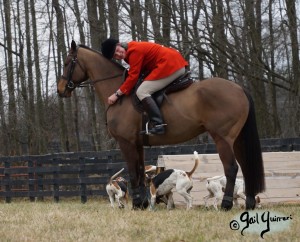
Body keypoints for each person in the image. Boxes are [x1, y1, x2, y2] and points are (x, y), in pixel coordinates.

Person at [101, 38, 188, 135]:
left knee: (142, 91)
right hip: (172, 61)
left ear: (119, 44)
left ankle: (158, 125)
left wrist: (117, 94)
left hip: (171, 65)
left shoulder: (134, 51)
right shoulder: (129, 50)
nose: (119, 55)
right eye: (115, 56)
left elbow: (133, 77)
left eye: (117, 51)